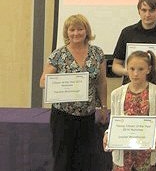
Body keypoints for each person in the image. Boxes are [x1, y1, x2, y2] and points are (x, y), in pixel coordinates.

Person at [111, 0, 156, 170]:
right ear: (139, 10)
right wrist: (131, 70)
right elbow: (116, 66)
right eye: (144, 10)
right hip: (130, 93)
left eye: (152, 10)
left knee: (153, 148)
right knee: (127, 144)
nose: (147, 14)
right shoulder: (127, 32)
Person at [39, 14, 108, 171]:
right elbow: (43, 81)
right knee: (62, 159)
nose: (76, 33)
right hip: (63, 116)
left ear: (86, 31)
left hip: (87, 116)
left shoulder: (97, 53)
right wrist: (63, 84)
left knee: (85, 160)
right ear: (67, 32)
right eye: (72, 30)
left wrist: (104, 107)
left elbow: (101, 82)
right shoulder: (58, 55)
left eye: (80, 29)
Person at [104, 50, 156, 171]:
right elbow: (114, 121)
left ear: (148, 69)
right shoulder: (117, 94)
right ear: (127, 68)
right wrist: (107, 134)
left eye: (140, 69)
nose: (135, 73)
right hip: (124, 152)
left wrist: (154, 136)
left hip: (146, 152)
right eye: (131, 69)